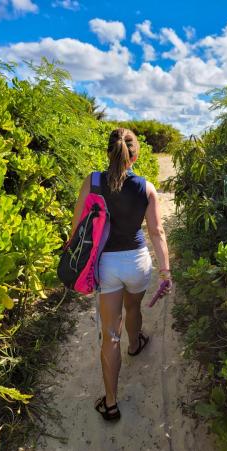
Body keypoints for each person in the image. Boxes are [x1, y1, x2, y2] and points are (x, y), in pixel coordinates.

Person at [70, 128, 172, 421]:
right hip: (137, 262)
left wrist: (74, 257)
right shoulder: (146, 187)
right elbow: (157, 231)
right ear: (136, 155)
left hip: (107, 265)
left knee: (109, 334)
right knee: (134, 307)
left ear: (108, 153)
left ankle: (111, 403)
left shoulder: (93, 181)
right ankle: (136, 343)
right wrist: (165, 270)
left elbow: (77, 226)